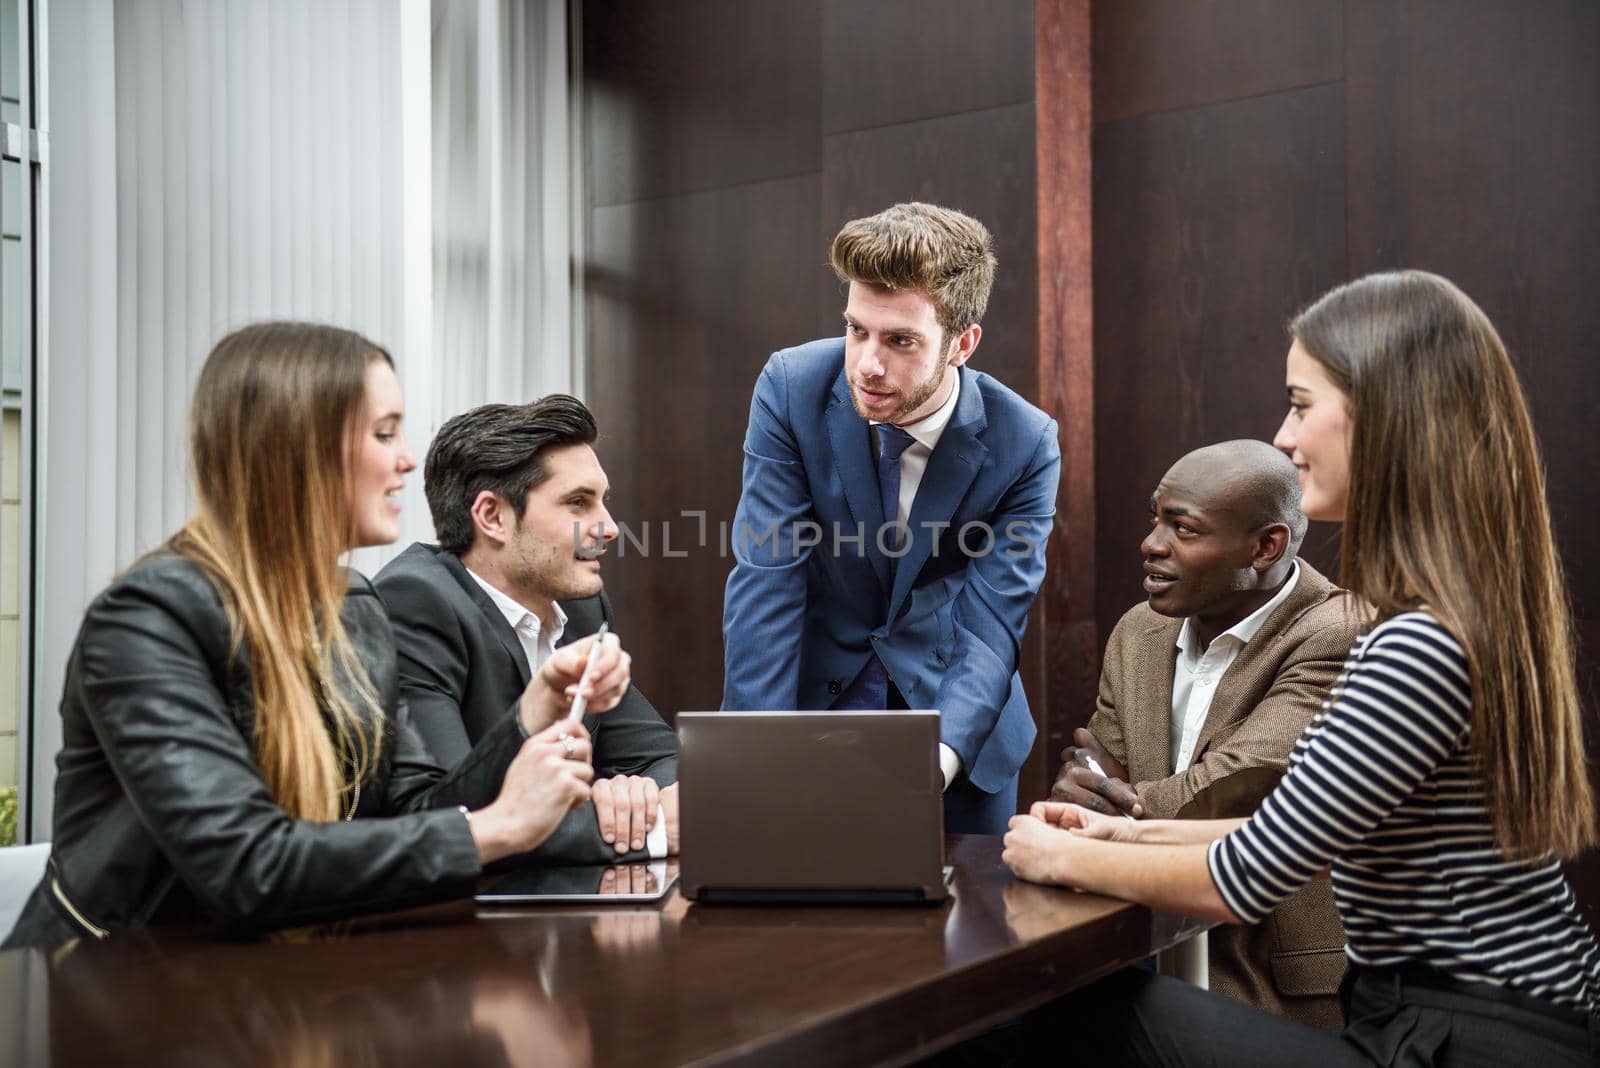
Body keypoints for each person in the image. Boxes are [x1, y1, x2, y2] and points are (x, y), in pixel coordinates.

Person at [1004, 271, 1599, 1064]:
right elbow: (1296, 834)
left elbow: (1244, 878)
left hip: (1460, 1040)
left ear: (1385, 417)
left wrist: (1063, 854)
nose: (1284, 438)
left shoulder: (1414, 642)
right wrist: (1128, 832)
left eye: (1301, 404)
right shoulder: (1452, 614)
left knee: (1067, 1013)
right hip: (1482, 1026)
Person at [2, 322, 631, 948]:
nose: (408, 459)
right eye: (384, 433)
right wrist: (497, 828)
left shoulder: (353, 606)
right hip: (108, 991)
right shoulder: (147, 617)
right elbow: (247, 865)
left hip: (273, 982)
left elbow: (416, 814)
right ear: (296, 448)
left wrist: (527, 715)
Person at [721, 202, 1060, 834]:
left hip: (958, 734)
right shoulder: (791, 387)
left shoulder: (1026, 442)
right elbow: (768, 574)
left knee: (968, 932)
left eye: (901, 340)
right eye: (857, 330)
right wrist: (754, 752)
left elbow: (991, 623)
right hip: (812, 720)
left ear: (963, 344)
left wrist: (935, 760)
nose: (868, 365)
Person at [1052, 439, 1359, 1027]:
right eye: (1155, 518)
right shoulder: (1139, 630)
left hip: (1271, 976)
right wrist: (1087, 790)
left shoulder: (1339, 632)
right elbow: (1092, 769)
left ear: (1265, 546)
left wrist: (1107, 815)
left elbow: (1241, 785)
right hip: (1133, 948)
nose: (1151, 544)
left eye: (1183, 529)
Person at [374, 397, 679, 862]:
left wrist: (631, 797)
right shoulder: (415, 603)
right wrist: (647, 830)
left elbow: (665, 759)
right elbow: (445, 817)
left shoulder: (580, 608)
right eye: (578, 503)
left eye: (603, 501)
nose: (610, 528)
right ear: (492, 516)